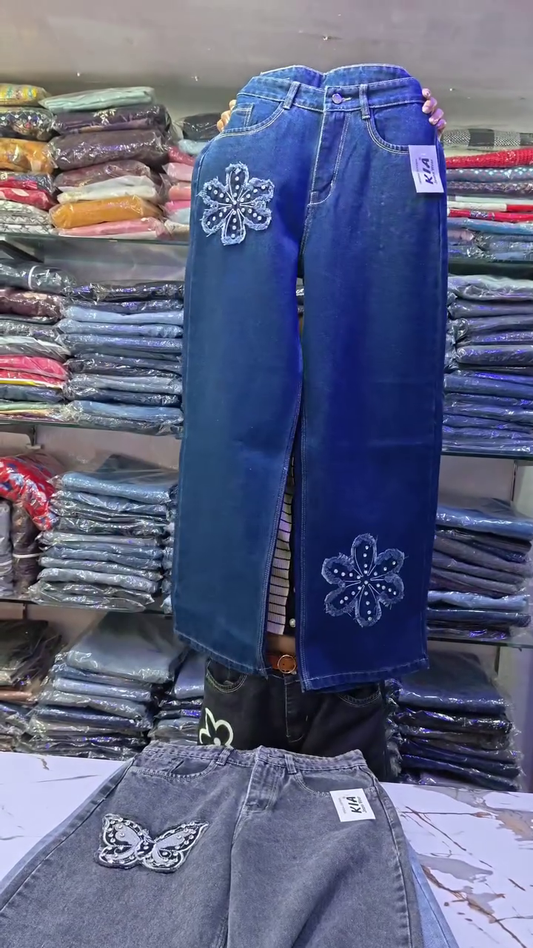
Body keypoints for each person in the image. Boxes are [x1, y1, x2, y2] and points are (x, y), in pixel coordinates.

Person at [198, 84, 446, 779]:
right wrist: (237, 140)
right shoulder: (247, 409)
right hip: (242, 663)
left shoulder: (357, 415)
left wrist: (414, 140)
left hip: (344, 677)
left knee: (346, 835)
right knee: (221, 823)